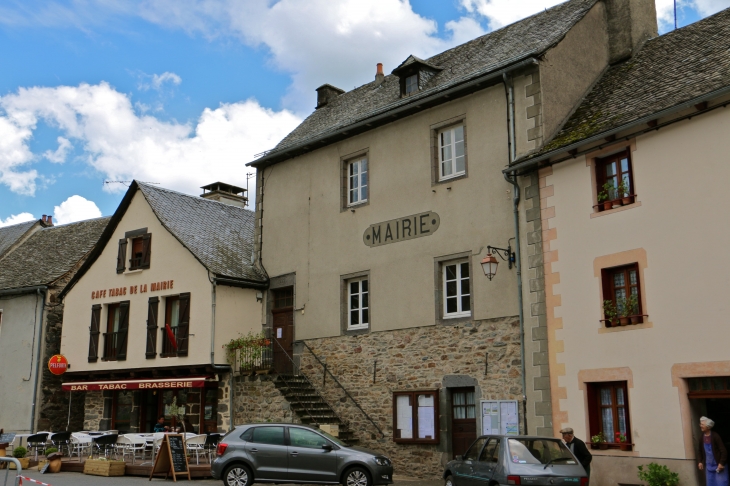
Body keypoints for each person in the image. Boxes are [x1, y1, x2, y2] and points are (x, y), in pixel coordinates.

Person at [698, 416, 728, 486]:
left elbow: (724, 451)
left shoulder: (715, 436)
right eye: (700, 424)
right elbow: (700, 451)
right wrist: (700, 461)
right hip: (709, 466)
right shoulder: (701, 437)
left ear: (708, 426)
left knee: (721, 484)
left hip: (718, 466)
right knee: (711, 484)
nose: (700, 426)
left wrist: (721, 463)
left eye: (702, 425)